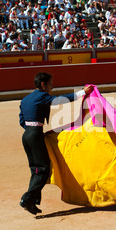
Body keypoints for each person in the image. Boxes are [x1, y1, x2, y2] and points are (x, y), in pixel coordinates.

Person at [19, 72, 94, 215]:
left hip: (26, 135)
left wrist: (32, 130)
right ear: (43, 84)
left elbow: (21, 119)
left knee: (35, 169)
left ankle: (33, 201)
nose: (52, 87)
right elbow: (60, 100)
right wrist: (81, 93)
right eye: (51, 84)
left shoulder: (26, 99)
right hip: (35, 135)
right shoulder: (42, 96)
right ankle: (26, 198)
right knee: (43, 169)